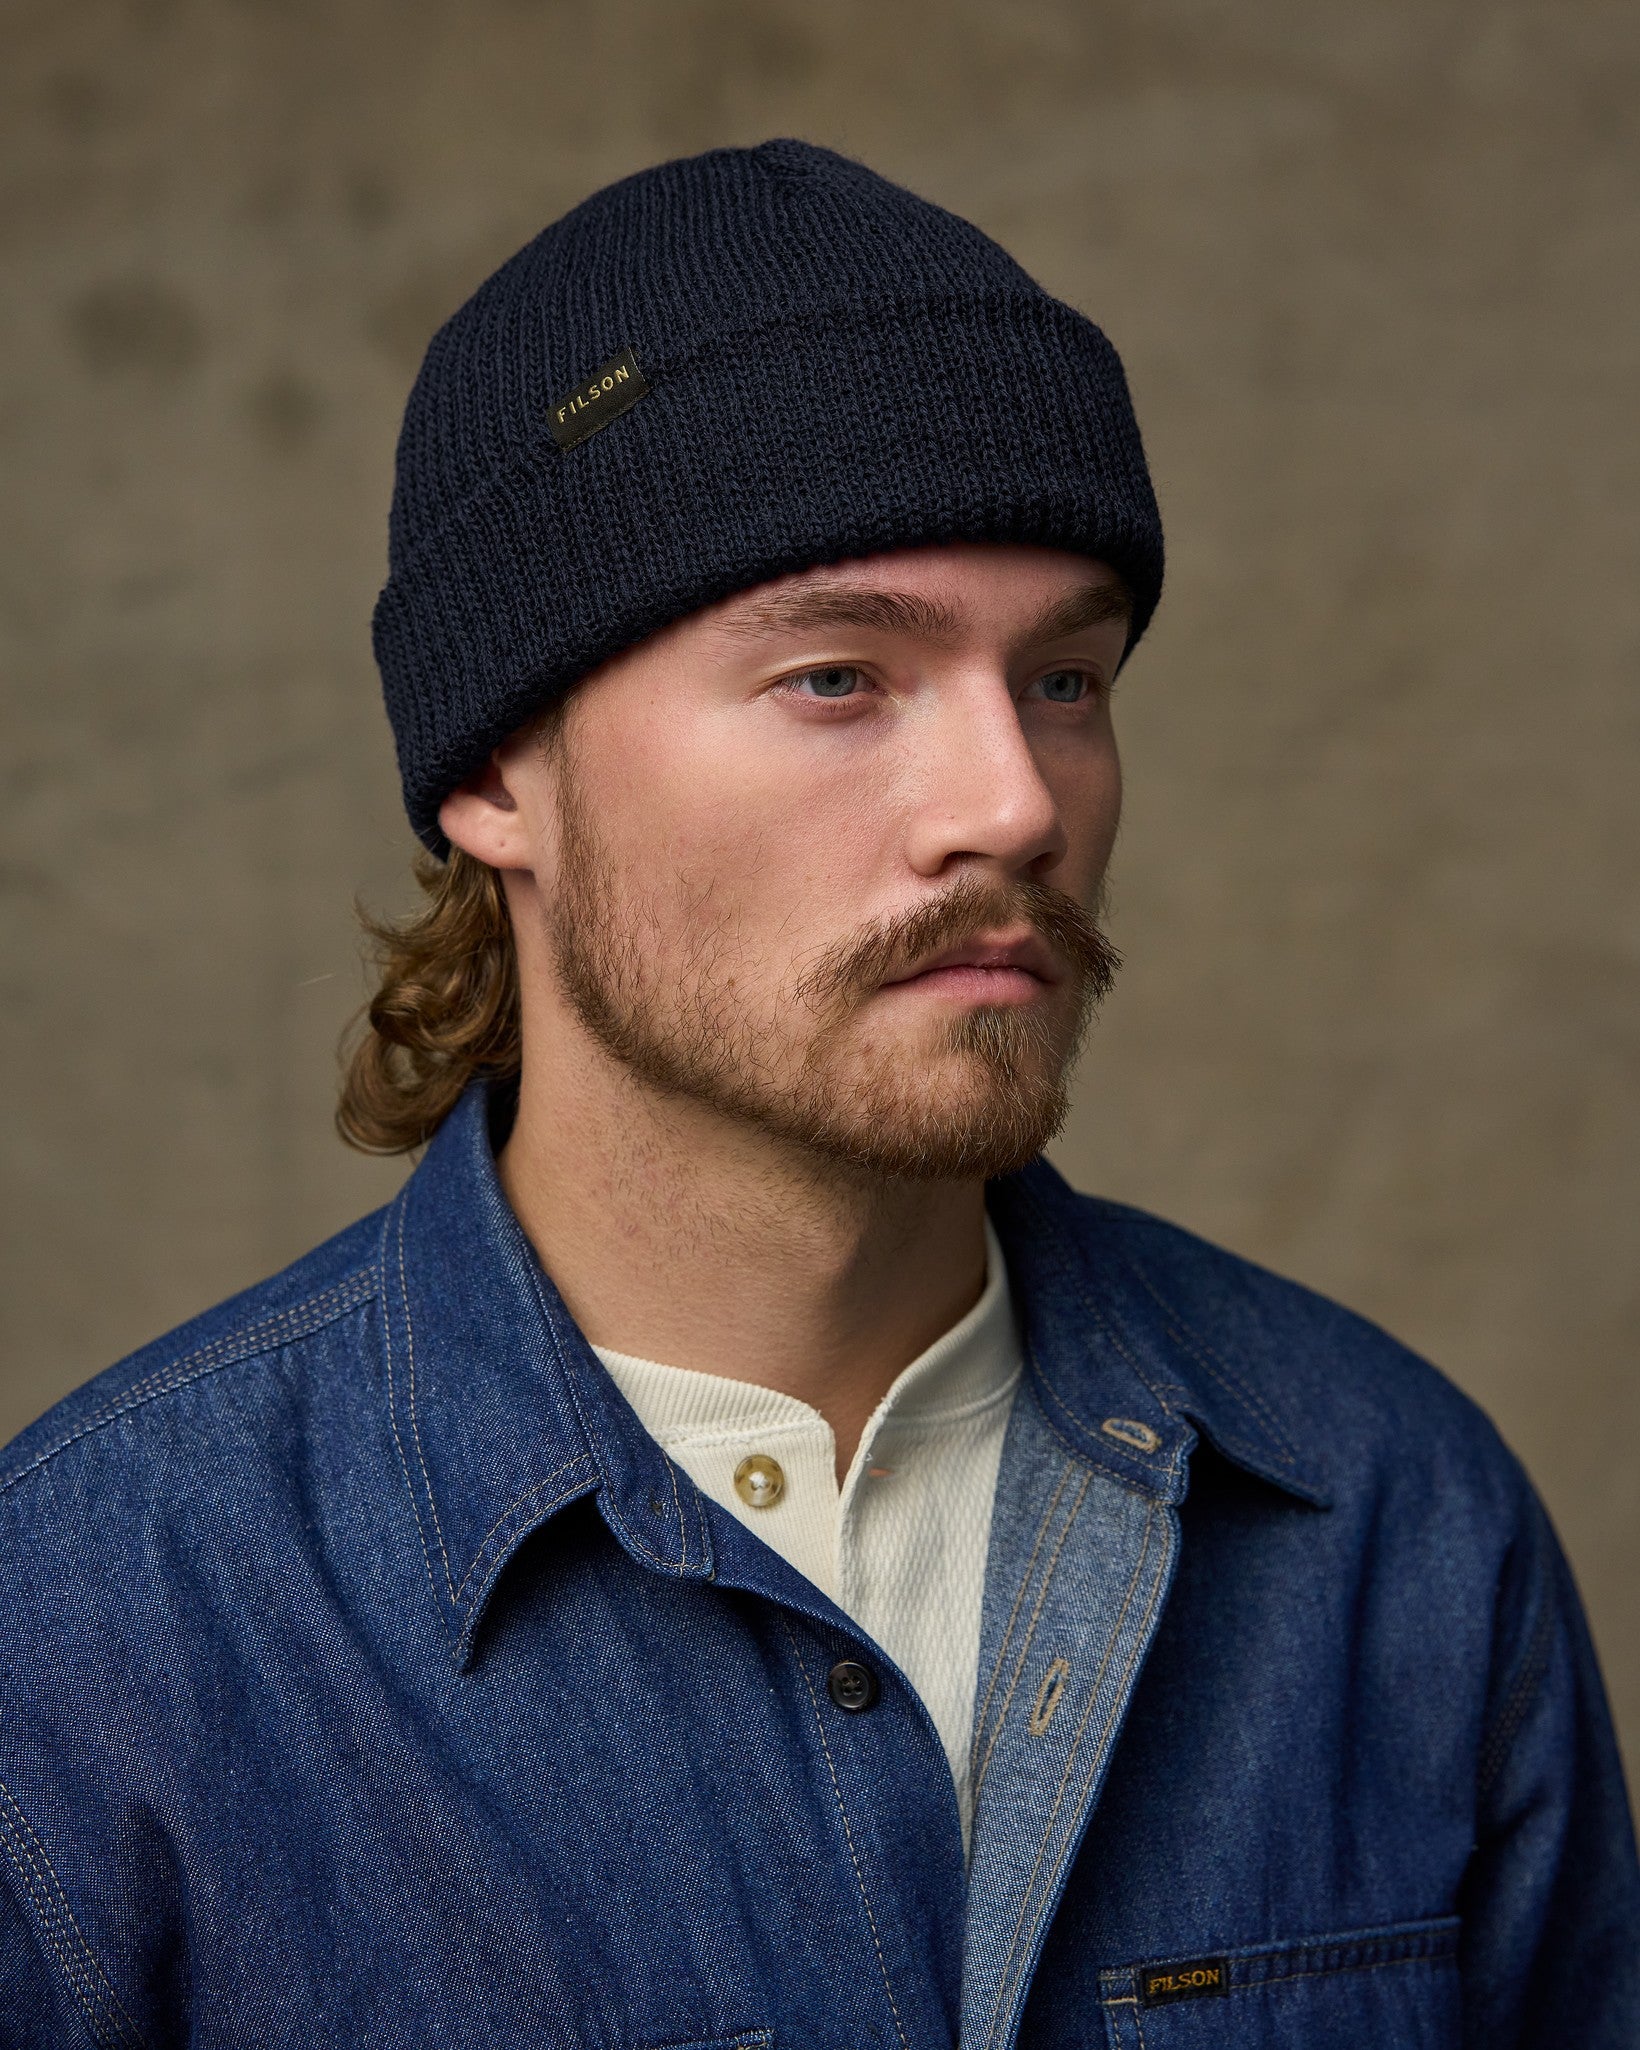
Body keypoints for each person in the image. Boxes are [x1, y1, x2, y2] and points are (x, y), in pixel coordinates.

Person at [0, 140, 1633, 2050]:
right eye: (842, 678)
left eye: (1067, 679)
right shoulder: (92, 1629)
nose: (1012, 803)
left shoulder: (1395, 1516)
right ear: (499, 772)